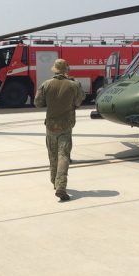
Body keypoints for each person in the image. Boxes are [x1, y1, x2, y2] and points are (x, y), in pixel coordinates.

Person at [34, 59, 85, 201]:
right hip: (66, 124)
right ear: (66, 70)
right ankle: (61, 185)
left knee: (52, 154)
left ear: (55, 70)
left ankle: (54, 181)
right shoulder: (74, 85)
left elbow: (38, 103)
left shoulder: (46, 84)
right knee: (64, 155)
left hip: (50, 125)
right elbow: (79, 101)